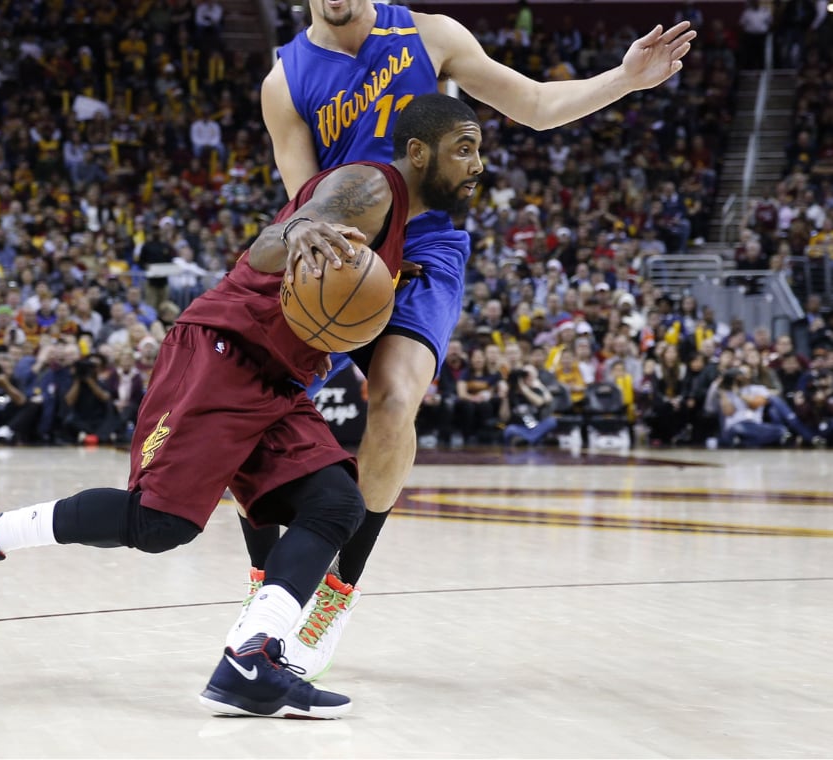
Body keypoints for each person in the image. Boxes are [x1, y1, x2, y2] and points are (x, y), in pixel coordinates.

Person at [0, 93, 484, 720]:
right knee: (160, 524)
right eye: (465, 148)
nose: (477, 164)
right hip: (222, 352)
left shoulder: (407, 231)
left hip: (278, 379)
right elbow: (266, 246)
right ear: (419, 152)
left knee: (336, 501)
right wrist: (296, 229)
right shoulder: (369, 187)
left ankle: (252, 656)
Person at [240, 0, 696, 679]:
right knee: (253, 405)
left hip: (426, 247)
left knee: (395, 402)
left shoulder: (430, 34)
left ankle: (336, 595)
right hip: (344, 250)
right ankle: (264, 586)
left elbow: (536, 105)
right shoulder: (285, 81)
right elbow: (305, 199)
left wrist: (623, 79)